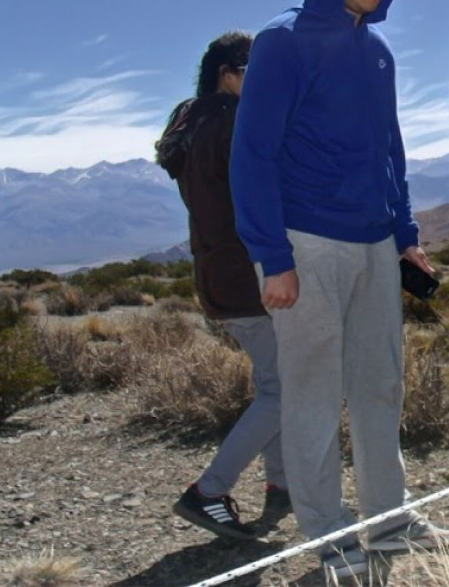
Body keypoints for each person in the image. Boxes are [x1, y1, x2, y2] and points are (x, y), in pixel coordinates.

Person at [229, 0, 449, 580]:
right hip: (307, 243)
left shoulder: (378, 53)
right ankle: (324, 534)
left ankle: (388, 518)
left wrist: (406, 236)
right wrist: (273, 256)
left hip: (376, 245)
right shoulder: (283, 43)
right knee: (313, 395)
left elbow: (391, 153)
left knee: (381, 385)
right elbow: (253, 154)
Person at [156, 31, 289, 541]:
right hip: (249, 274)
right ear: (228, 74)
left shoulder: (193, 122)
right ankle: (208, 491)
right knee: (284, 389)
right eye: (255, 72)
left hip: (218, 274)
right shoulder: (234, 124)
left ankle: (281, 484)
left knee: (276, 382)